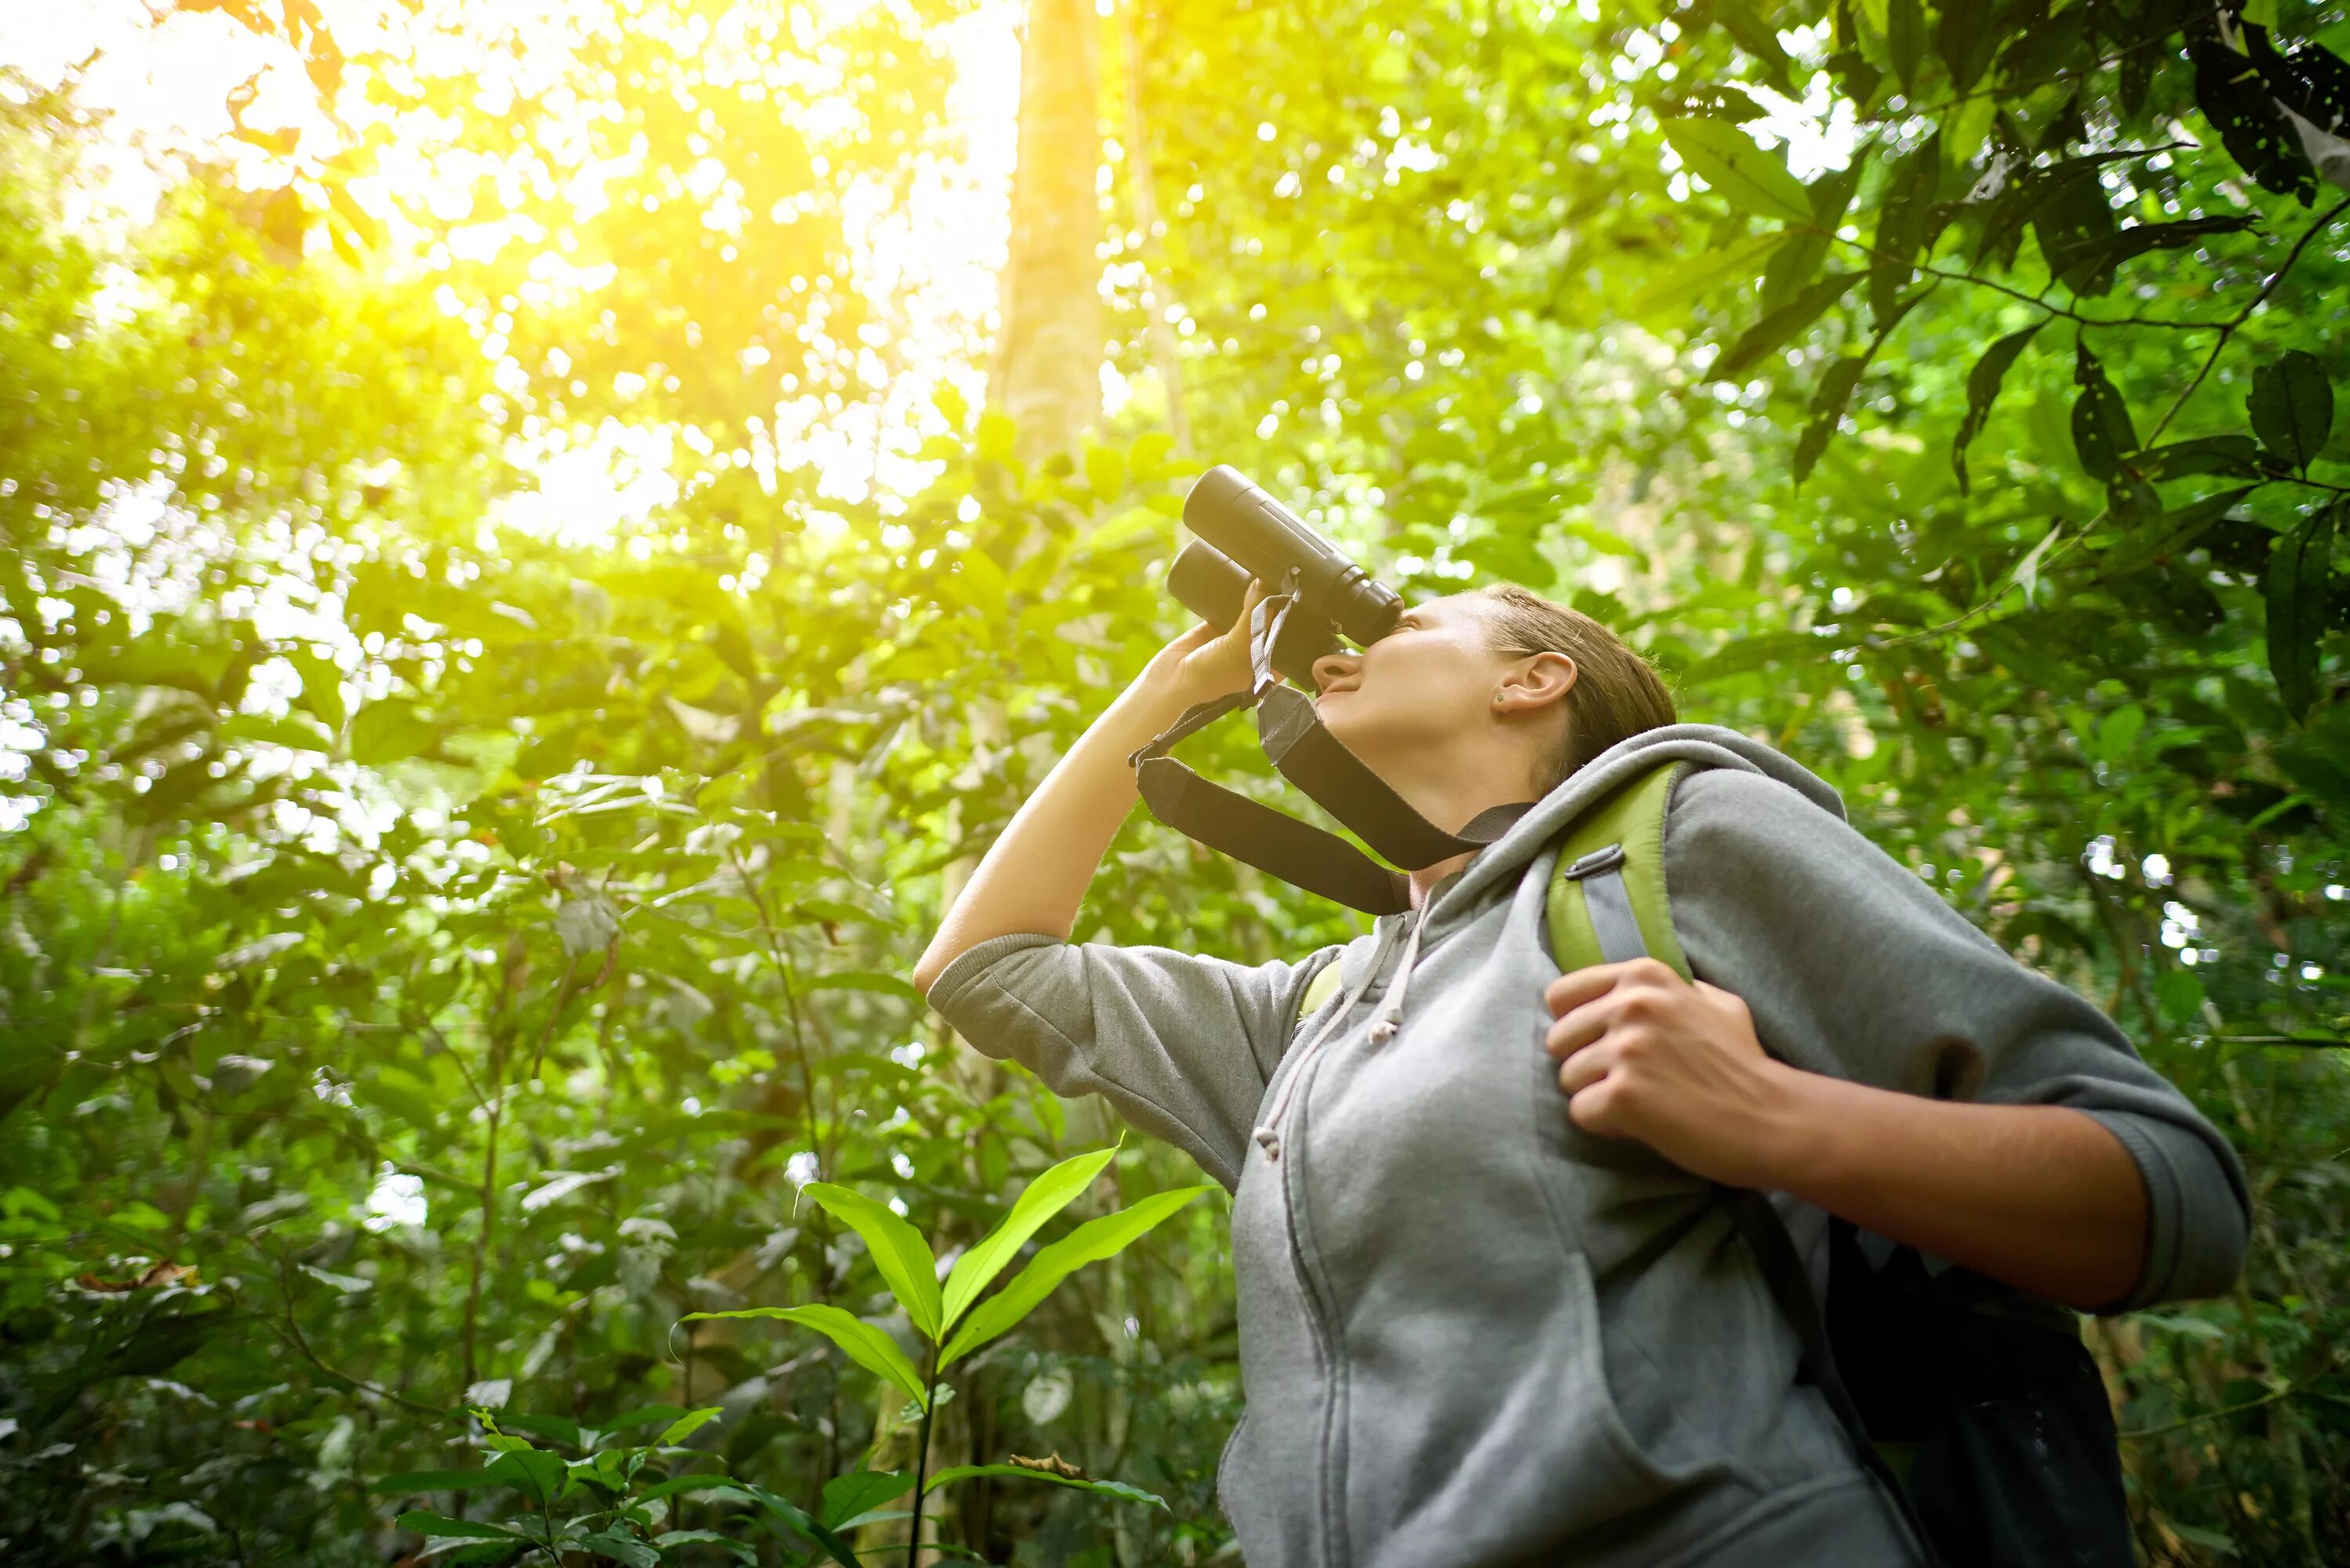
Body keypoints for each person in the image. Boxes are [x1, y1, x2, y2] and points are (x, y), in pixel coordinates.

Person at [912, 578, 2251, 1568]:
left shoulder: (1684, 836)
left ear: (1532, 679)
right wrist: (1168, 694)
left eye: (1409, 618)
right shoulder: (1319, 1009)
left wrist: (1776, 1119)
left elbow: (2173, 1197)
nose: (1344, 649)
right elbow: (983, 967)